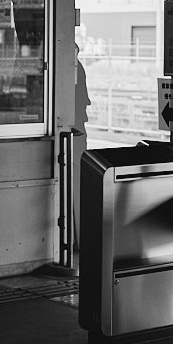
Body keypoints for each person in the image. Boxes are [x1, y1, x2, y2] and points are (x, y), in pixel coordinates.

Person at [73, 44, 91, 250]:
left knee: (76, 179)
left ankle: (77, 235)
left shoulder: (73, 69)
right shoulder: (77, 68)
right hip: (76, 130)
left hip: (74, 131)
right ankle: (77, 235)